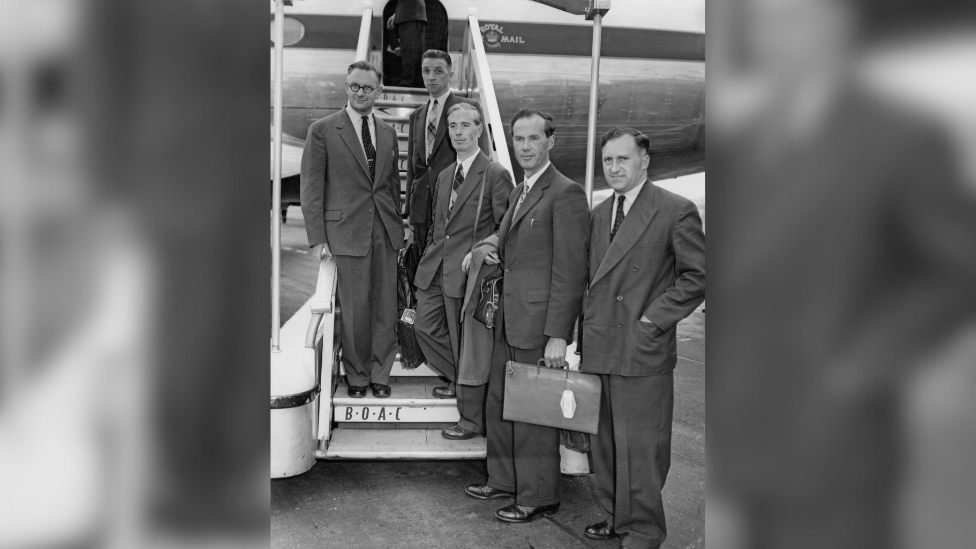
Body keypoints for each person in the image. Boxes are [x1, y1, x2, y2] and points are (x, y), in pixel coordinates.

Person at [463, 109, 590, 524]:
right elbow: (506, 233)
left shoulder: (565, 193)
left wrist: (558, 335)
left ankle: (539, 495)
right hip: (508, 317)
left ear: (551, 142)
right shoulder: (521, 190)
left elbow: (570, 271)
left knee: (534, 412)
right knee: (501, 403)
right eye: (519, 139)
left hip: (538, 325)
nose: (525, 147)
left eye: (534, 139)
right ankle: (502, 478)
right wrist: (485, 244)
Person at [581, 127, 705, 549]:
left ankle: (644, 531)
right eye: (608, 161)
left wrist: (654, 319)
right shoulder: (599, 213)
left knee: (641, 447)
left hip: (640, 346)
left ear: (644, 160)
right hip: (601, 346)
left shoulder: (675, 209)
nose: (614, 168)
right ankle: (618, 518)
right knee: (606, 445)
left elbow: (698, 276)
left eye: (623, 159)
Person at [300, 60, 405, 399]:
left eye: (368, 87)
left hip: (385, 232)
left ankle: (380, 373)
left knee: (385, 308)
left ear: (380, 91)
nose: (360, 92)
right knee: (356, 308)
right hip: (345, 232)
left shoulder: (387, 132)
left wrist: (399, 229)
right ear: (346, 87)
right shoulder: (323, 130)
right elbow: (312, 189)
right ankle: (357, 377)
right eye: (354, 86)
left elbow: (390, 186)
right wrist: (318, 237)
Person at [413, 102, 513, 440]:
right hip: (436, 268)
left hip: (470, 277)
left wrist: (485, 248)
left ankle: (472, 418)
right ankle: (458, 381)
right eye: (452, 125)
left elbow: (506, 227)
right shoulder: (444, 175)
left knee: (468, 348)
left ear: (479, 129)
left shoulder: (495, 174)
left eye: (465, 125)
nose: (457, 132)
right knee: (424, 327)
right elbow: (438, 228)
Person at [405, 49, 490, 252]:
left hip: (455, 201)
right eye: (426, 71)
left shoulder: (468, 108)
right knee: (421, 266)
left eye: (438, 71)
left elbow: (483, 159)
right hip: (421, 207)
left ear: (451, 75)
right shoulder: (416, 116)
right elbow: (412, 165)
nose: (431, 77)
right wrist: (409, 208)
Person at [387, 0, 426, 87]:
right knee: (417, 49)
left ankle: (408, 81)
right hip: (414, 12)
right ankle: (417, 81)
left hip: (409, 13)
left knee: (409, 49)